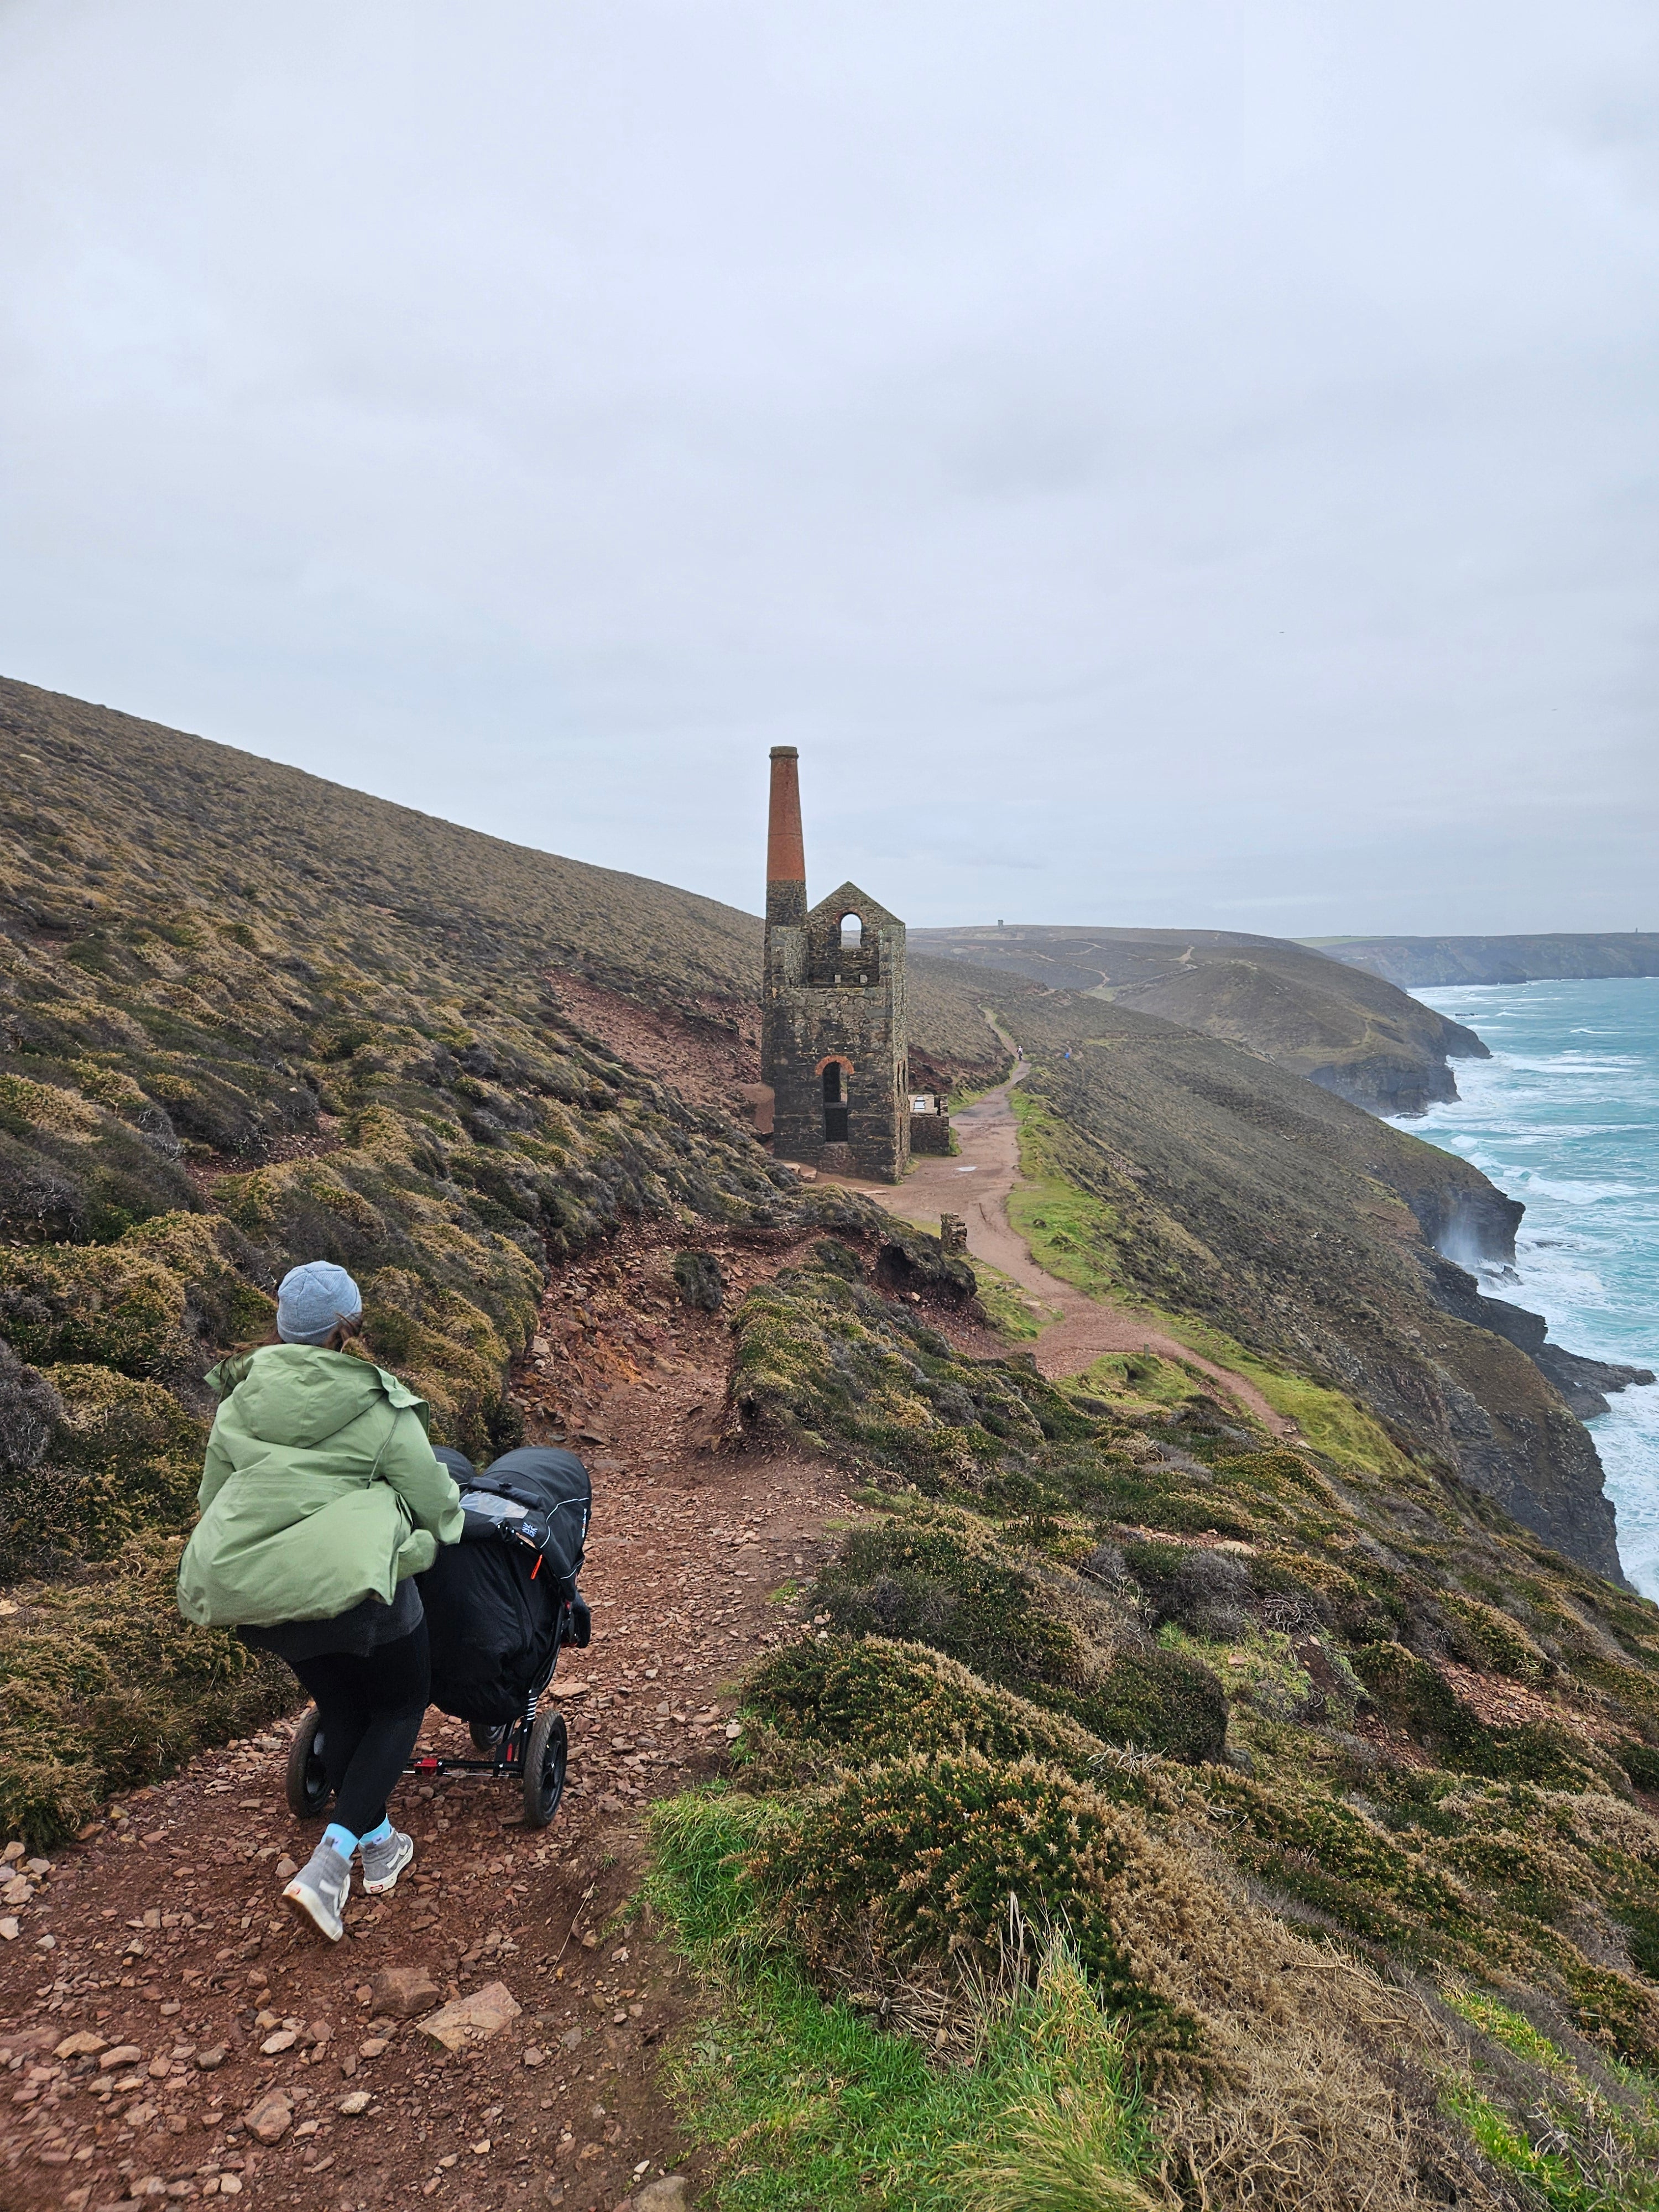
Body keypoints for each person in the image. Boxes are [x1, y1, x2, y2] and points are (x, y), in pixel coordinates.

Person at [176, 1261, 462, 1941]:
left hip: (266, 1596)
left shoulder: (239, 1399)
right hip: (359, 1588)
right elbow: (431, 1498)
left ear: (282, 1323)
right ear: (347, 1329)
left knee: (340, 1708)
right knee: (399, 1703)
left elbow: (211, 1498)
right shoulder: (379, 1404)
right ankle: (330, 1865)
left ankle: (382, 1841)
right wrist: (441, 1529)